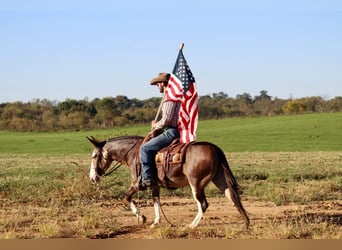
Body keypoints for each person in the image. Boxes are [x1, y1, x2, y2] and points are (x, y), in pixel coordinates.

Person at [140, 72, 181, 188]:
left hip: (172, 131)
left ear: (162, 83)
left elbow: (166, 120)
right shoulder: (177, 96)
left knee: (145, 148)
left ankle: (147, 178)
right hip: (179, 130)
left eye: (157, 84)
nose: (157, 87)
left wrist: (156, 125)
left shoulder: (170, 98)